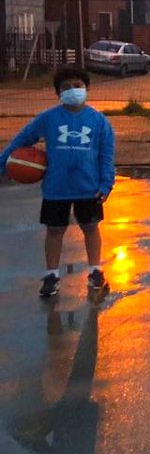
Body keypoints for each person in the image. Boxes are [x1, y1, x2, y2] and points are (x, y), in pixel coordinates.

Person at [0, 66, 116, 299]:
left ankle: (95, 270)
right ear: (58, 93)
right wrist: (3, 163)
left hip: (89, 187)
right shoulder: (48, 118)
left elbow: (106, 155)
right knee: (54, 231)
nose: (73, 90)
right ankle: (51, 275)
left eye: (77, 86)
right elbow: (21, 141)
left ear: (86, 88)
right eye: (66, 87)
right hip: (56, 188)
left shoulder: (99, 121)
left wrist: (106, 184)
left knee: (91, 228)